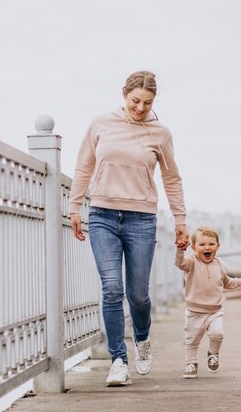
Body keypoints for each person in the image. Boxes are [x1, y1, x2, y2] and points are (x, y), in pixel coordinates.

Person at [69, 70, 189, 387]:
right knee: (111, 288)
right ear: (124, 95)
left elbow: (171, 178)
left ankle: (142, 338)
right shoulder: (101, 124)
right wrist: (74, 206)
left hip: (141, 219)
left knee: (137, 296)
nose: (140, 108)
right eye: (135, 101)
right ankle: (118, 360)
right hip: (102, 215)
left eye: (147, 103)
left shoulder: (160, 133)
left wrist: (180, 219)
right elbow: (84, 166)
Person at [174, 226, 241, 379]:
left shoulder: (220, 264)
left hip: (215, 310)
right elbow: (180, 263)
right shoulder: (191, 262)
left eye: (211, 244)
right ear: (194, 247)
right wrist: (180, 251)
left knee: (217, 334)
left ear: (218, 246)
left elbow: (226, 282)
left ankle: (213, 353)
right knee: (192, 339)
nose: (207, 248)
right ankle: (191, 363)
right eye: (202, 245)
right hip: (195, 311)